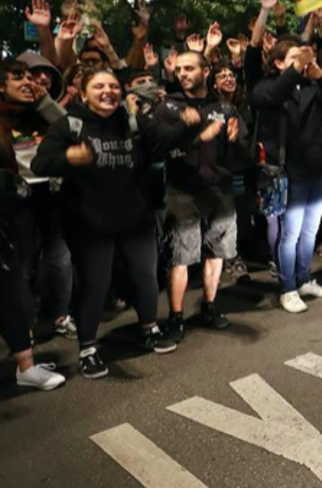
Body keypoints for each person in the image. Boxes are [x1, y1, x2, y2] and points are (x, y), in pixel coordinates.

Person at [33, 69, 203, 379]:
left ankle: (149, 329)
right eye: (99, 86)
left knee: (146, 278)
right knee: (95, 285)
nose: (108, 91)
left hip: (135, 218)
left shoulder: (132, 122)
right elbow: (40, 163)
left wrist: (188, 126)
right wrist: (68, 157)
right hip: (90, 224)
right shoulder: (69, 125)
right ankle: (88, 348)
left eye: (113, 86)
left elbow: (162, 141)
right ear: (84, 94)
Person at [154, 52, 247, 341]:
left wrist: (236, 139)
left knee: (216, 253)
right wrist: (192, 133)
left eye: (189, 68)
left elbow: (242, 155)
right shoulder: (168, 107)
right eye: (179, 69)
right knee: (180, 257)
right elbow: (157, 146)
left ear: (205, 72)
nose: (183, 73)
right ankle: (176, 316)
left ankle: (209, 306)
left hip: (219, 190)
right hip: (182, 190)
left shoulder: (225, 108)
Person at [251, 36, 322, 314]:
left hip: (317, 167)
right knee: (289, 234)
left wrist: (321, 75)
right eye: (292, 59)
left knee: (311, 230)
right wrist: (295, 69)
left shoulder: (312, 85)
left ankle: (304, 279)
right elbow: (273, 95)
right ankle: (287, 288)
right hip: (290, 172)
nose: (301, 65)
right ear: (278, 63)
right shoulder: (267, 88)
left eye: (302, 59)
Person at [0, 61, 67, 390]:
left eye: (30, 77)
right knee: (19, 272)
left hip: (44, 195)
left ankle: (32, 347)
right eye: (18, 77)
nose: (27, 82)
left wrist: (45, 101)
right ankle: (24, 348)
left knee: (52, 263)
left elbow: (70, 128)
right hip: (10, 206)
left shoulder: (38, 112)